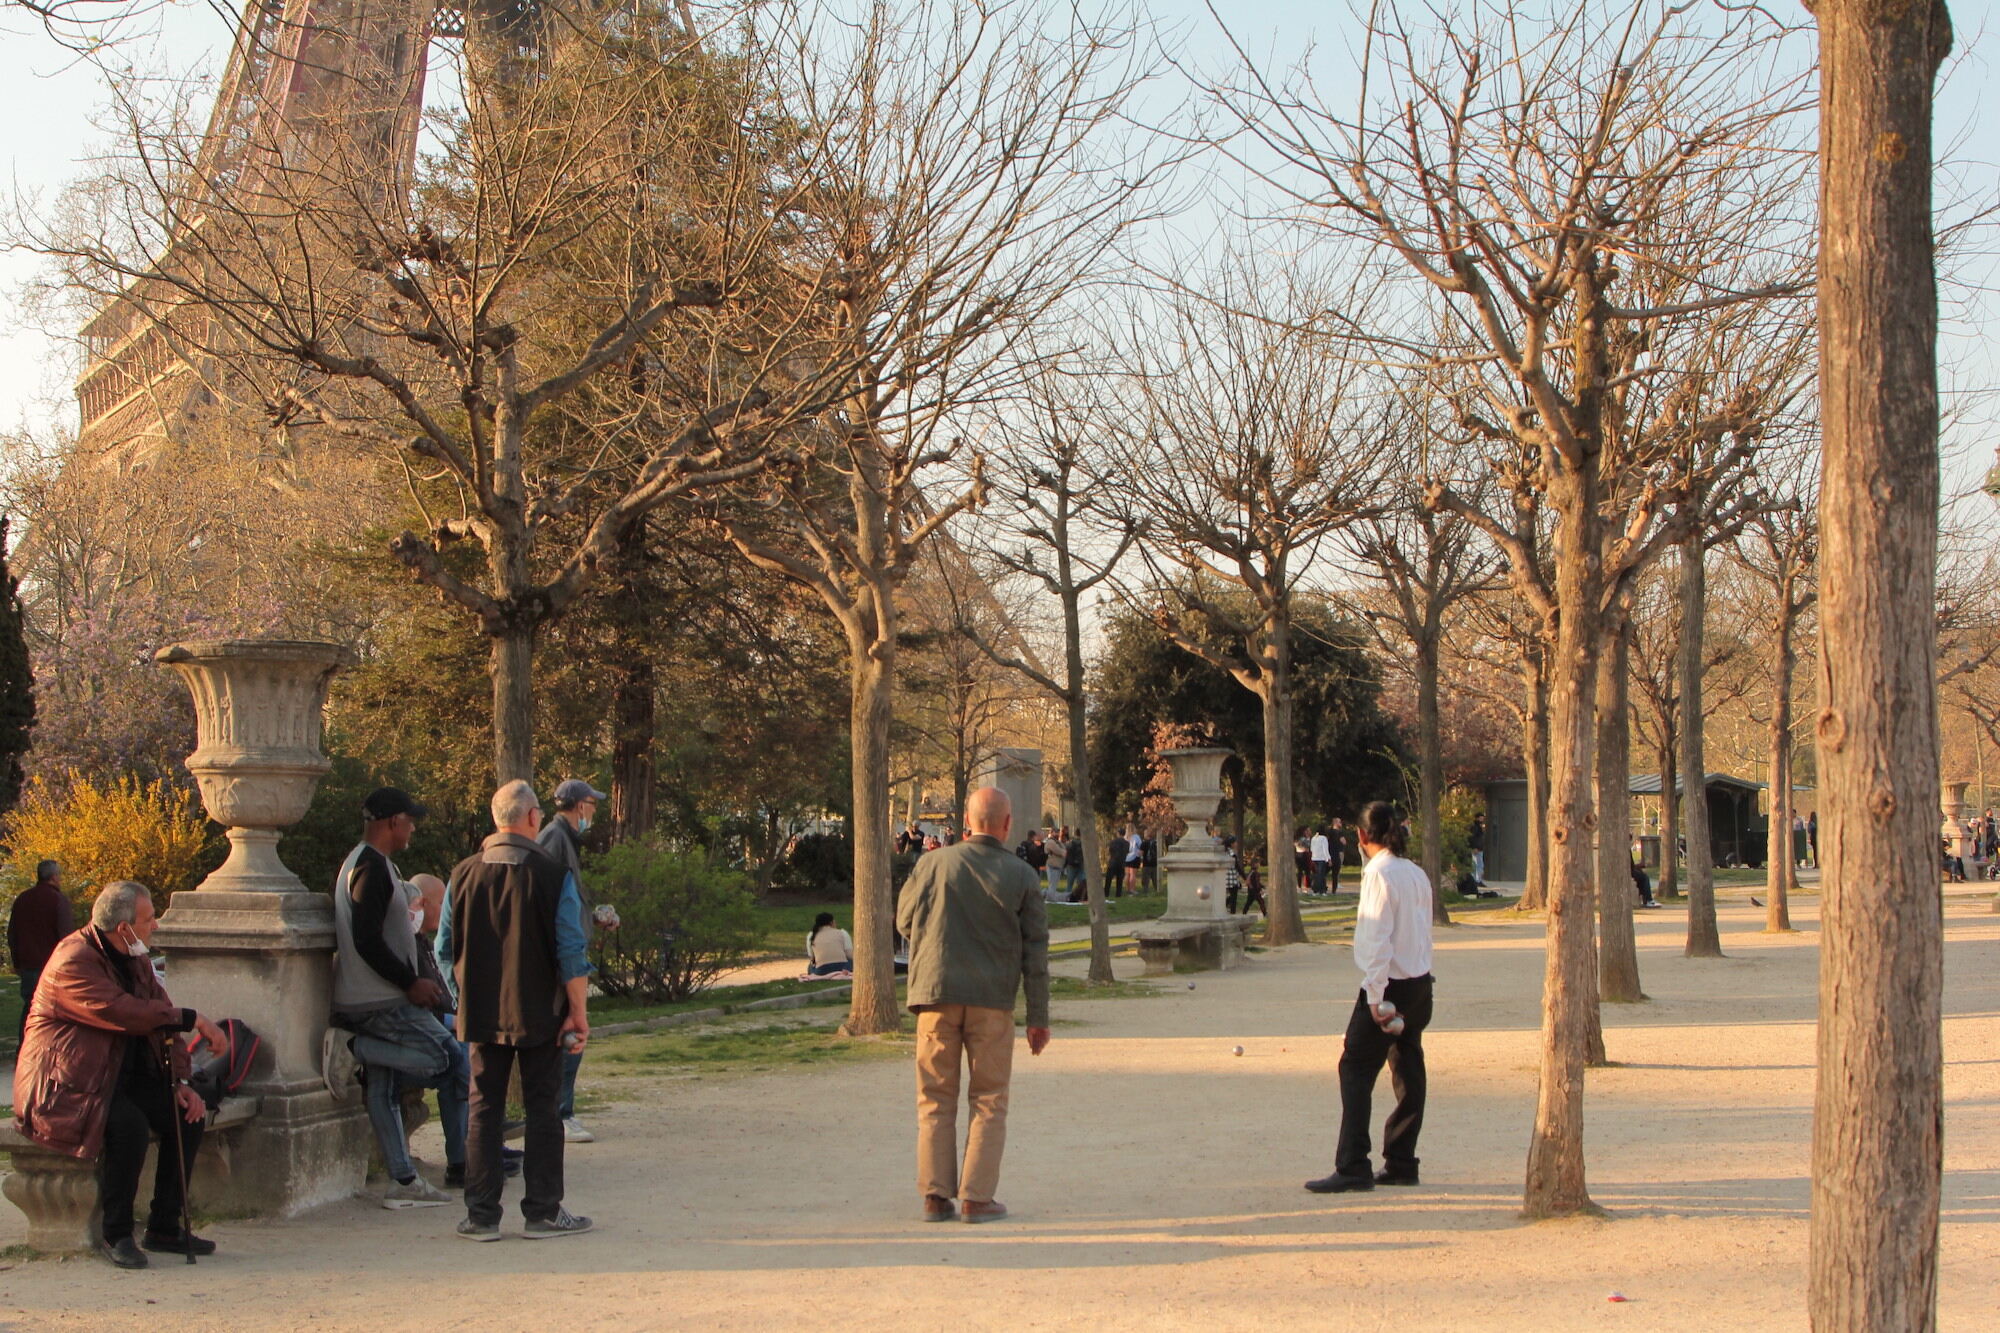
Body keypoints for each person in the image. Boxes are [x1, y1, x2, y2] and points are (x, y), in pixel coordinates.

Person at [14, 881, 228, 1267]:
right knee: (127, 1126)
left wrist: (180, 1082)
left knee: (187, 1115)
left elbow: (163, 1020)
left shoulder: (135, 957)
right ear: (124, 927)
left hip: (115, 1078)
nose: (155, 926)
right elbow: (122, 1012)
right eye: (149, 919)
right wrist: (193, 1020)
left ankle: (164, 1226)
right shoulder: (73, 960)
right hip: (67, 1086)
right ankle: (117, 1233)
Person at [438, 780, 594, 1241]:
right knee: (543, 1107)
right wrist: (578, 1011)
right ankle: (543, 1211)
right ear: (531, 818)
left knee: (483, 1108)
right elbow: (571, 948)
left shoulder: (461, 874)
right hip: (540, 1007)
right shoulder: (551, 874)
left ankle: (481, 1215)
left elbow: (444, 948)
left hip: (482, 1007)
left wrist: (461, 996)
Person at [896, 786, 1050, 1225]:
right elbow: (1035, 950)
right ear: (1006, 825)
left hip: (935, 994)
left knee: (933, 1098)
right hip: (992, 1000)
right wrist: (1038, 1017)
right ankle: (977, 1197)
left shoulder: (930, 863)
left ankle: (934, 1194)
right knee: (989, 1099)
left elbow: (904, 920)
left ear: (967, 820)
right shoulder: (1022, 875)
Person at [326, 787, 462, 1209]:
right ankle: (354, 1047)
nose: (413, 827)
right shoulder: (370, 867)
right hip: (380, 1001)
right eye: (409, 819)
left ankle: (402, 1181)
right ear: (390, 823)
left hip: (374, 998)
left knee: (383, 1088)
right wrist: (410, 983)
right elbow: (367, 940)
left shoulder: (370, 864)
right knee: (449, 1061)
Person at [1306, 801, 1434, 1195]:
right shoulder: (1415, 873)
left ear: (1362, 836)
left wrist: (1375, 995)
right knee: (1407, 1065)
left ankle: (1353, 1164)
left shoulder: (1378, 874)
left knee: (1356, 1068)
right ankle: (1401, 1161)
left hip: (1390, 985)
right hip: (1418, 982)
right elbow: (1420, 930)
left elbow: (1377, 937)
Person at [539, 778, 607, 1146]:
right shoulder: (554, 838)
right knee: (570, 1034)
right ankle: (560, 1113)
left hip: (570, 947)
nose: (593, 812)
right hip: (562, 957)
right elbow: (549, 899)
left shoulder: (565, 838)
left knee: (571, 1035)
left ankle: (561, 1111)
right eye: (592, 805)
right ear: (580, 806)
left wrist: (590, 918)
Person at [8, 858, 74, 1047]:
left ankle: (25, 1048)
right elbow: (66, 938)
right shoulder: (58, 900)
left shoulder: (23, 899)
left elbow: (12, 933)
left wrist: (17, 962)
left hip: (28, 965)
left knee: (29, 1007)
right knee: (54, 1011)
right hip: (52, 966)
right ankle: (49, 1049)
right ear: (54, 877)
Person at [1104, 828, 1129, 898]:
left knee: (1108, 879)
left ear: (1118, 833)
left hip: (1113, 862)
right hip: (1121, 863)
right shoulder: (1127, 843)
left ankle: (1106, 893)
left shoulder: (1113, 842)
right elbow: (1126, 852)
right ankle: (1118, 894)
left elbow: (1110, 851)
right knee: (1119, 880)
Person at [1043, 828, 1067, 900]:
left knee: (1054, 884)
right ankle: (1050, 898)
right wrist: (1062, 852)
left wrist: (1063, 851)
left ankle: (1045, 894)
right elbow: (1059, 851)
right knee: (1052, 884)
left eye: (1058, 832)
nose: (1057, 834)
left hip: (1058, 866)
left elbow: (1064, 850)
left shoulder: (1058, 842)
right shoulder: (1050, 842)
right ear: (1051, 833)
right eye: (1055, 832)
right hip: (1052, 866)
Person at [1328, 818, 1350, 894]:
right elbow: (1344, 842)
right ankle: (1334, 890)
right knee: (1336, 872)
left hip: (1329, 853)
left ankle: (1320, 886)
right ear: (1335, 823)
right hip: (1338, 853)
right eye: (1339, 822)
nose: (1341, 823)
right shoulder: (1339, 832)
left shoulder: (1329, 832)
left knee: (1325, 871)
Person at [1310, 825, 1333, 896]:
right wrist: (1328, 859)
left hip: (1314, 858)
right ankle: (1322, 890)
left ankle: (1315, 889)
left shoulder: (1314, 838)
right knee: (1321, 875)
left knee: (1316, 875)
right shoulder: (1323, 838)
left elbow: (1311, 848)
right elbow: (1325, 849)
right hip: (1321, 858)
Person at [1466, 816, 1486, 886]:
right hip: (1476, 849)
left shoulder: (1479, 827)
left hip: (1479, 848)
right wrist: (1474, 847)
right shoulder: (1475, 827)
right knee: (1477, 865)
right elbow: (1472, 837)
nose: (1483, 819)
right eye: (1481, 817)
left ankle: (1476, 880)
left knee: (1477, 865)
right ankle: (1476, 880)